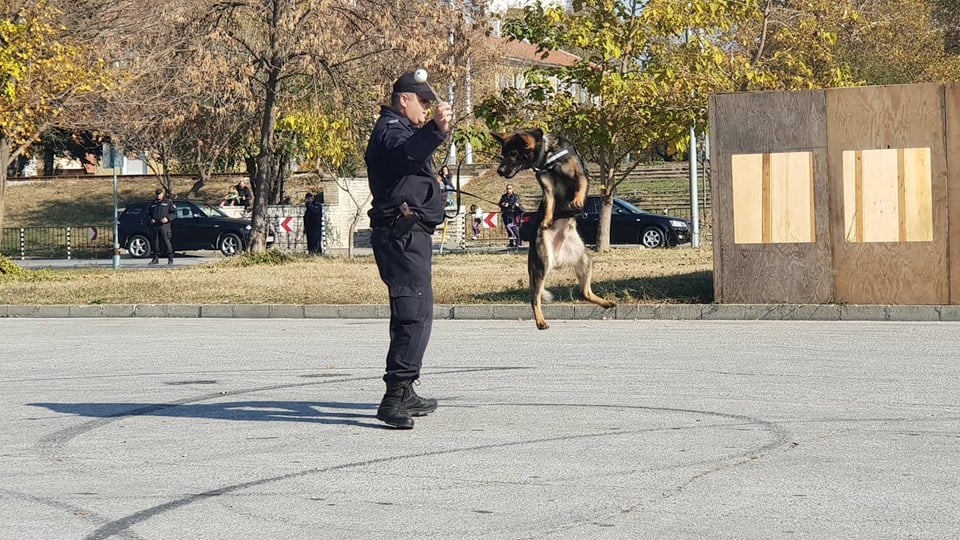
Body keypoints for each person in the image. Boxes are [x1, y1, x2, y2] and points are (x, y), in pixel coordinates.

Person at [364, 70, 453, 429]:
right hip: (399, 236)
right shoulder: (389, 131)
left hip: (411, 236)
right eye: (423, 101)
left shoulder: (401, 130)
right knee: (411, 313)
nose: (428, 106)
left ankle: (408, 387)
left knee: (419, 312)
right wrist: (435, 130)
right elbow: (405, 158)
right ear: (404, 99)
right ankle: (394, 396)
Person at [147, 188, 176, 265]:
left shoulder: (168, 202)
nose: (158, 195)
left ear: (163, 194)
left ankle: (170, 259)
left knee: (167, 242)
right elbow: (148, 213)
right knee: (155, 243)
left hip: (164, 225)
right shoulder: (153, 203)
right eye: (157, 194)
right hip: (155, 225)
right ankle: (155, 259)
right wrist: (151, 219)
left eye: (159, 194)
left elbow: (174, 213)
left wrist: (168, 218)